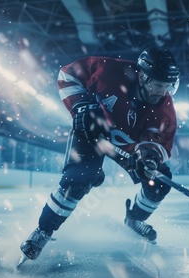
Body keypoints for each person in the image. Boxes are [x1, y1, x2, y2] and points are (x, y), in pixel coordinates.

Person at [20, 47, 180, 261]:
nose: (162, 92)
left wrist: (148, 157)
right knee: (79, 179)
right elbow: (67, 74)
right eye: (158, 85)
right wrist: (81, 106)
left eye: (167, 86)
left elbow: (159, 143)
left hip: (128, 146)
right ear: (142, 76)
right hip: (91, 132)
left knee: (160, 182)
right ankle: (43, 231)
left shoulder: (165, 111)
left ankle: (134, 219)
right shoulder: (110, 71)